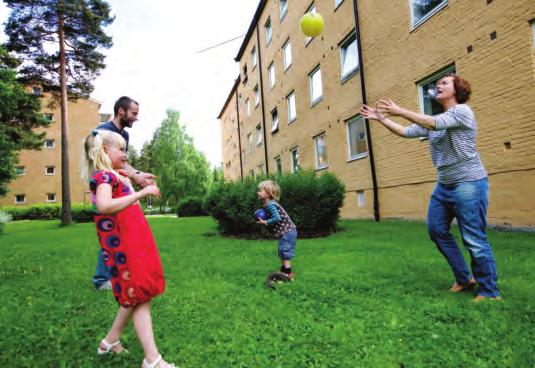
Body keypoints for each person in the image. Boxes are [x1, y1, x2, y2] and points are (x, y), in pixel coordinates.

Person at [361, 74, 500, 302]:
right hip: (444, 186)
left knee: (473, 238)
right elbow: (407, 132)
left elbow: (435, 123)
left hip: (469, 183)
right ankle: (464, 278)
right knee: (436, 230)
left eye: (444, 83)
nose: (439, 85)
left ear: (458, 89)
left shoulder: (462, 112)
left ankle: (489, 291)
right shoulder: (434, 119)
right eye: (438, 84)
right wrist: (381, 119)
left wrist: (400, 110)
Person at [83, 129, 175, 367]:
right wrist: (143, 192)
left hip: (134, 239)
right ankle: (152, 359)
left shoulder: (114, 174)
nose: (125, 154)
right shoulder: (104, 177)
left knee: (136, 295)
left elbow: (123, 183)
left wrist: (134, 178)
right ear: (105, 151)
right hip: (125, 246)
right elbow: (104, 206)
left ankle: (110, 341)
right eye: (121, 149)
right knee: (139, 294)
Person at [93, 96, 155, 290]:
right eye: (133, 113)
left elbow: (122, 161)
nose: (136, 118)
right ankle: (102, 279)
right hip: (105, 185)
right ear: (121, 111)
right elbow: (95, 160)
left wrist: (136, 174)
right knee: (110, 228)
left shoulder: (123, 135)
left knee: (120, 228)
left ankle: (116, 273)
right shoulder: (102, 132)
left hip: (116, 182)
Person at [256, 180, 298, 279]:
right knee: (282, 252)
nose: (258, 192)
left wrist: (265, 222)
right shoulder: (269, 204)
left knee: (285, 252)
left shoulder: (270, 205)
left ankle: (288, 274)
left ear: (268, 193)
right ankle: (283, 271)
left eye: (260, 191)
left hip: (287, 232)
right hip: (286, 232)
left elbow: (277, 218)